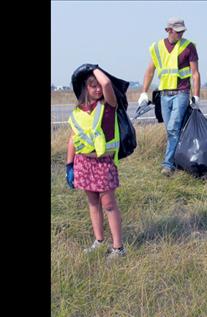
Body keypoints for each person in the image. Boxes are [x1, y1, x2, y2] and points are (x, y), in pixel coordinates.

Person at [66, 64, 126, 260]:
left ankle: (118, 248)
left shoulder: (108, 105)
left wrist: (93, 68)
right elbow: (73, 139)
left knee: (108, 203)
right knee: (93, 203)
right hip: (83, 162)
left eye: (98, 85)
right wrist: (69, 165)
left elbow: (107, 83)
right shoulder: (78, 111)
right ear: (85, 87)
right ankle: (99, 242)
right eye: (92, 85)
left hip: (103, 163)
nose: (98, 89)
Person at [138, 17, 201, 177]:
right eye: (177, 31)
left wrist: (196, 95)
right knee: (172, 130)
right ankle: (182, 160)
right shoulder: (157, 47)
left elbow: (195, 73)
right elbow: (150, 71)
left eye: (182, 32)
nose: (180, 35)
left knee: (173, 129)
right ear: (168, 30)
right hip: (164, 94)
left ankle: (167, 165)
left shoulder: (189, 47)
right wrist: (144, 92)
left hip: (182, 92)